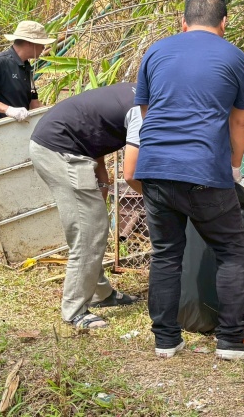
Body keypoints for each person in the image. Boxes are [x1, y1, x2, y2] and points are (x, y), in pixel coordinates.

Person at [134, 0, 244, 361]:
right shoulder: (236, 58)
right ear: (224, 23)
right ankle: (231, 341)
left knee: (165, 255)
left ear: (184, 22)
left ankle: (165, 340)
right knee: (232, 253)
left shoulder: (156, 51)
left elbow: (146, 111)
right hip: (205, 169)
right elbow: (238, 122)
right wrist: (234, 167)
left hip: (155, 167)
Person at [29, 82, 142, 329]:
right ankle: (75, 310)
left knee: (93, 225)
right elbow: (131, 173)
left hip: (65, 144)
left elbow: (92, 128)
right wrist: (156, 200)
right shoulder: (141, 111)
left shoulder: (136, 91)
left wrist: (102, 179)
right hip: (60, 150)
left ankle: (101, 294)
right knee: (89, 230)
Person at [0, 20, 54, 267]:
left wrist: (49, 117)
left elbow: (33, 102)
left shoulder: (27, 67)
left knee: (19, 184)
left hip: (19, 135)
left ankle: (22, 240)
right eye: (41, 44)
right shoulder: (0, 62)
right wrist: (8, 110)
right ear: (29, 43)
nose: (43, 49)